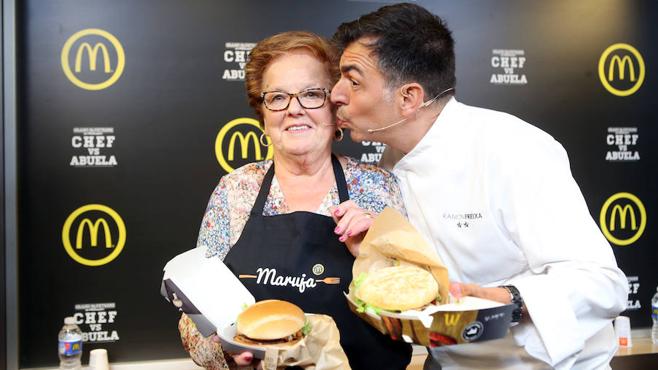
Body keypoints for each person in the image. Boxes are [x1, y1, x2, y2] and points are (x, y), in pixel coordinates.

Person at [329, 4, 628, 370]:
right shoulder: (389, 163)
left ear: (409, 98)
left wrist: (509, 299)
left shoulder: (513, 149)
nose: (335, 95)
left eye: (353, 81)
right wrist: (377, 251)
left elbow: (601, 282)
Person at [178, 31, 412, 370]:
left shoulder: (378, 188)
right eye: (277, 97)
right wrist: (226, 354)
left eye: (312, 94)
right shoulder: (235, 191)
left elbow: (413, 319)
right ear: (263, 114)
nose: (294, 110)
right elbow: (194, 315)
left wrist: (372, 259)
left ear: (335, 107)